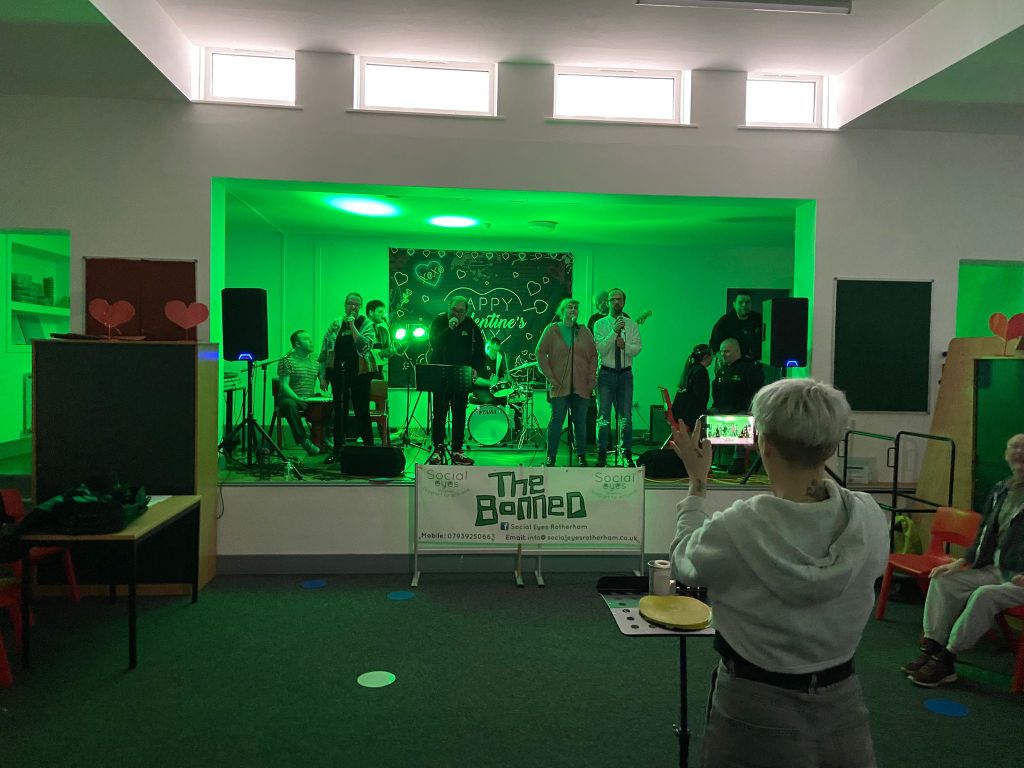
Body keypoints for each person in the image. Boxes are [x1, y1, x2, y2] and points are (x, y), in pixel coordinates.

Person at [668, 378, 889, 768]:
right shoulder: (869, 517)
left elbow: (685, 563)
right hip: (844, 706)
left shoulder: (737, 528)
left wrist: (697, 483)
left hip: (753, 706)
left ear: (763, 442)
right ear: (832, 446)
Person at [902, 433, 1024, 688]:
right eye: (1014, 447)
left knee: (984, 595)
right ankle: (932, 648)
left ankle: (947, 660)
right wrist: (962, 562)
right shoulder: (1001, 489)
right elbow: (985, 533)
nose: (1019, 452)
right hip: (997, 568)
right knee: (943, 579)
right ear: (1006, 455)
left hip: (1019, 579)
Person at [536, 298, 597, 467]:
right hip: (559, 385)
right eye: (569, 307)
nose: (573, 310)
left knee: (580, 422)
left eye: (575, 307)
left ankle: (581, 455)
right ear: (562, 311)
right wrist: (550, 376)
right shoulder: (552, 330)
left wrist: (592, 378)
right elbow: (540, 352)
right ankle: (551, 456)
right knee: (557, 420)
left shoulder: (584, 332)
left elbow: (593, 355)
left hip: (581, 385)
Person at [427, 295, 486, 466]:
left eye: (461, 311)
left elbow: (480, 350)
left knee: (459, 413)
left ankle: (457, 450)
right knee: (439, 413)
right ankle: (437, 449)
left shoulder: (471, 325)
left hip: (461, 375)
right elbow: (435, 344)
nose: (457, 314)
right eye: (454, 310)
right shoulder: (439, 321)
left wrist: (475, 368)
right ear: (449, 307)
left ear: (466, 312)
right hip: (440, 373)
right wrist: (449, 328)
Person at [319, 292, 374, 462]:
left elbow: (364, 346)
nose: (353, 307)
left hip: (360, 374)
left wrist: (352, 325)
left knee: (361, 410)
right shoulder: (335, 324)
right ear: (345, 305)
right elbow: (324, 350)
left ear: (360, 307)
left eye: (357, 304)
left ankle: (369, 448)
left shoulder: (366, 323)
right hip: (338, 373)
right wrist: (323, 376)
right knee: (339, 411)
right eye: (351, 303)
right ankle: (337, 449)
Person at [593, 288, 642, 467]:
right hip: (606, 374)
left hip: (625, 375)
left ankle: (626, 453)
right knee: (603, 417)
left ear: (624, 302)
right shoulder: (599, 324)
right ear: (607, 303)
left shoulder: (632, 325)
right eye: (612, 299)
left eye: (619, 299)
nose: (616, 302)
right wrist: (614, 331)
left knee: (626, 417)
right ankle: (601, 454)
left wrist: (625, 346)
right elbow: (600, 349)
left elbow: (637, 348)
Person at [275, 330, 321, 456]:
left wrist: (323, 380)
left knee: (328, 404)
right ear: (297, 344)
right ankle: (303, 440)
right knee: (289, 404)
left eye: (310, 339)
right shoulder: (287, 360)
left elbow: (322, 375)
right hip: (289, 397)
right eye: (306, 339)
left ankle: (325, 437)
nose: (310, 342)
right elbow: (284, 386)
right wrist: (297, 399)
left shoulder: (316, 359)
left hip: (308, 397)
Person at [710, 290, 763, 362]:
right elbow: (713, 347)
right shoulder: (724, 322)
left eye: (747, 302)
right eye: (740, 302)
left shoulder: (758, 318)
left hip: (754, 362)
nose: (744, 305)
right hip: (732, 363)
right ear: (734, 304)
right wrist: (724, 360)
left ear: (751, 304)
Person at [672, 343, 713, 432]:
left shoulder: (691, 368)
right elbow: (701, 397)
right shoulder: (701, 371)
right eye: (712, 355)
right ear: (706, 357)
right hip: (690, 416)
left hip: (681, 412)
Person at [470, 336, 507, 406]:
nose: (496, 353)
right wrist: (491, 383)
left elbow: (501, 376)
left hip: (493, 390)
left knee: (506, 400)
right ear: (487, 347)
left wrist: (502, 380)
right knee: (490, 401)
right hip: (480, 390)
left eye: (497, 350)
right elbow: (476, 380)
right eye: (494, 350)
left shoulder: (497, 360)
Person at [362, 299, 394, 379]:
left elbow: (386, 353)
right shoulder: (361, 327)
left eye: (384, 312)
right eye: (380, 312)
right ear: (371, 312)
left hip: (378, 373)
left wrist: (390, 352)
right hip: (362, 373)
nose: (383, 315)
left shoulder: (384, 331)